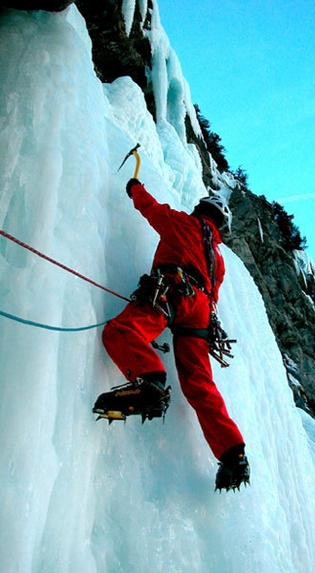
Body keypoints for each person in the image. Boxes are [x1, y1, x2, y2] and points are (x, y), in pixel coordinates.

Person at [93, 177, 250, 492]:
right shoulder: (217, 259)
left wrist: (134, 187)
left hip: (175, 289)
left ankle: (150, 379)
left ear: (199, 209)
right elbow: (214, 293)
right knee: (199, 383)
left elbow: (150, 209)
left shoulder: (181, 222)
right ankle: (233, 453)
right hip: (202, 311)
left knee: (122, 330)